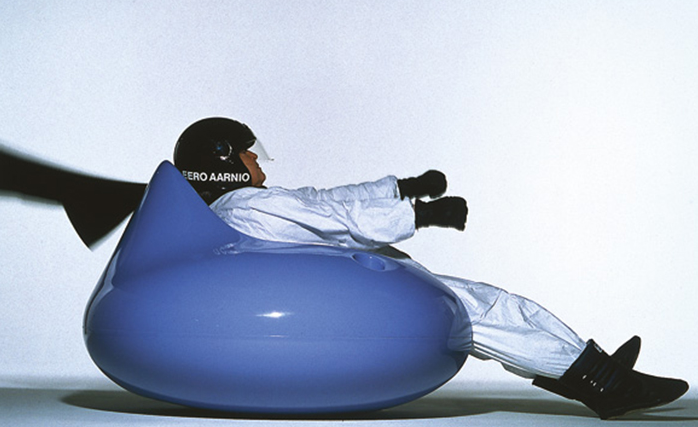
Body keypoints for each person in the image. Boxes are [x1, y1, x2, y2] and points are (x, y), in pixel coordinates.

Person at [174, 117, 688, 420]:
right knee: (482, 315)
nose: (259, 162)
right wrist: (421, 214)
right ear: (224, 162)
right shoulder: (249, 206)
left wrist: (402, 187)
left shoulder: (237, 207)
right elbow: (339, 220)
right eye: (249, 154)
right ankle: (605, 384)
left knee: (492, 305)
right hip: (362, 299)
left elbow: (322, 200)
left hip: (358, 289)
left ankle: (594, 371)